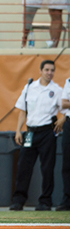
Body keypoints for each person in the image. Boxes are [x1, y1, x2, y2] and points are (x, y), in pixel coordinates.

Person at [10, 60, 62, 211]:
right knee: (23, 167)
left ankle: (45, 201)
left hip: (47, 132)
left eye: (52, 70)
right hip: (31, 132)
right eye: (46, 70)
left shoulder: (57, 90)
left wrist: (62, 119)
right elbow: (23, 110)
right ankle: (18, 200)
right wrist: (18, 130)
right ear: (40, 70)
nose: (49, 73)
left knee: (47, 168)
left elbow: (65, 108)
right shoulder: (30, 87)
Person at [56, 77, 70, 211]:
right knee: (67, 163)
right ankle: (67, 199)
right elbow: (64, 104)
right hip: (69, 123)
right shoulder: (69, 81)